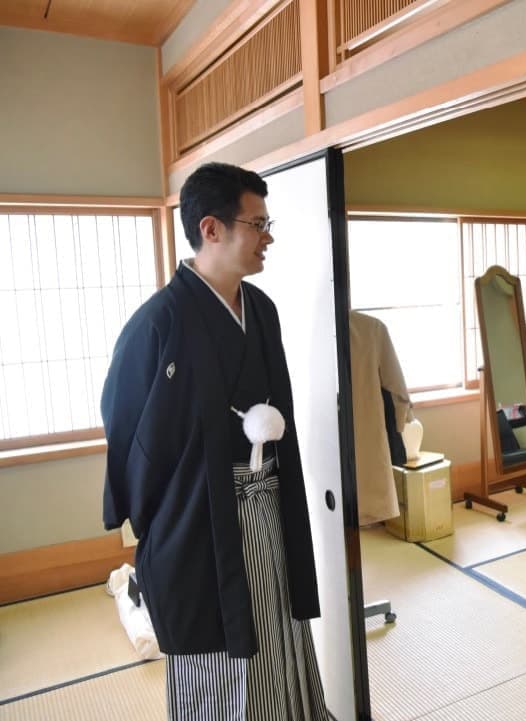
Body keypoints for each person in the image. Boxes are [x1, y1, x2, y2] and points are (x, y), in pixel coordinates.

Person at [101, 162, 330, 719]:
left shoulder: (264, 310)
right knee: (220, 648)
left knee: (277, 627)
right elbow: (125, 426)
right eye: (257, 223)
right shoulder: (159, 322)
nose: (268, 236)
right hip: (200, 520)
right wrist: (157, 516)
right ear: (211, 229)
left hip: (269, 504)